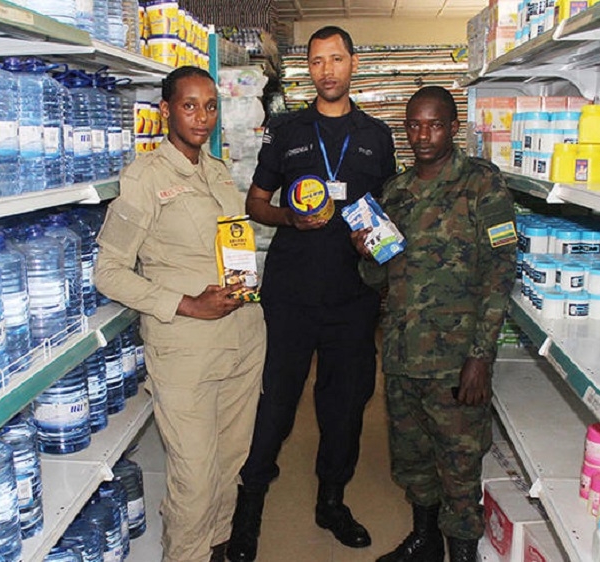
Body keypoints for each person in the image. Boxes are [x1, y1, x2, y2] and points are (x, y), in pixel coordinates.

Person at [228, 26, 397, 562]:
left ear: (353, 64)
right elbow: (255, 202)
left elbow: (390, 210)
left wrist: (377, 244)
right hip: (291, 295)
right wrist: (289, 218)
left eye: (337, 59)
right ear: (308, 68)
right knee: (275, 404)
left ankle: (332, 502)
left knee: (344, 408)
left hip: (353, 298)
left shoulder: (377, 137)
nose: (328, 70)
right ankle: (248, 510)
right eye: (318, 61)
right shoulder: (286, 131)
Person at [94, 66, 267, 562]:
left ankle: (216, 547)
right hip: (186, 349)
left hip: (243, 339)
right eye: (190, 106)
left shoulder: (217, 170)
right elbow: (109, 272)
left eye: (210, 106)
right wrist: (188, 304)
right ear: (166, 110)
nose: (202, 117)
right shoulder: (145, 177)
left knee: (230, 462)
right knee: (194, 477)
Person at [351, 86, 516, 562]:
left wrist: (481, 357)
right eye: (415, 125)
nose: (423, 136)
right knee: (413, 459)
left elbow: (501, 272)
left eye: (435, 125)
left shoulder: (481, 184)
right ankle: (424, 541)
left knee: (459, 466)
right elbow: (376, 279)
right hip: (403, 354)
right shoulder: (395, 193)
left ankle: (461, 552)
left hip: (456, 361)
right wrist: (366, 254)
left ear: (453, 128)